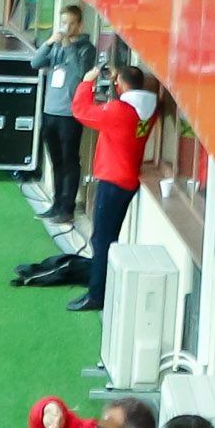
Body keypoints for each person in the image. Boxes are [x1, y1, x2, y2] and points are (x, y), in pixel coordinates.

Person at [68, 60, 161, 313]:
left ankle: (97, 294)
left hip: (112, 181)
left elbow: (81, 111)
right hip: (128, 179)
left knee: (102, 239)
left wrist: (87, 82)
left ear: (120, 84)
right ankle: (101, 285)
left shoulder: (119, 111)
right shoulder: (150, 108)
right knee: (108, 237)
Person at [32, 3, 99, 223]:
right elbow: (35, 63)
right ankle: (56, 203)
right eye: (63, 23)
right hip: (50, 110)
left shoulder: (86, 49)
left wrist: (69, 46)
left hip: (70, 114)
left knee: (69, 160)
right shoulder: (56, 46)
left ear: (80, 25)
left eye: (71, 23)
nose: (66, 27)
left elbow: (81, 74)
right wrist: (48, 43)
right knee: (55, 160)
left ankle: (67, 207)